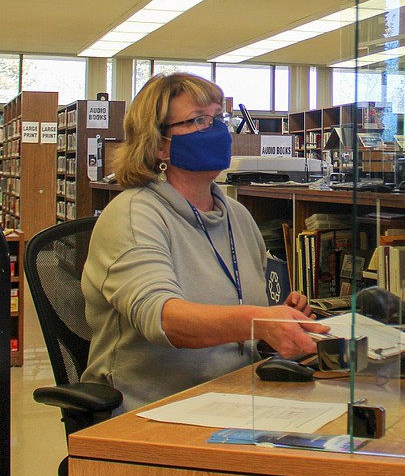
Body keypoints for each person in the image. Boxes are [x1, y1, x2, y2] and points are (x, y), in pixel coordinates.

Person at [81, 73, 325, 413]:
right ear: (158, 144)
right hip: (152, 409)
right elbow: (163, 320)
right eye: (199, 120)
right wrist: (259, 320)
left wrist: (281, 317)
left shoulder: (237, 216)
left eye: (219, 119)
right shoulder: (133, 216)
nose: (217, 131)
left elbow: (246, 312)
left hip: (241, 394)